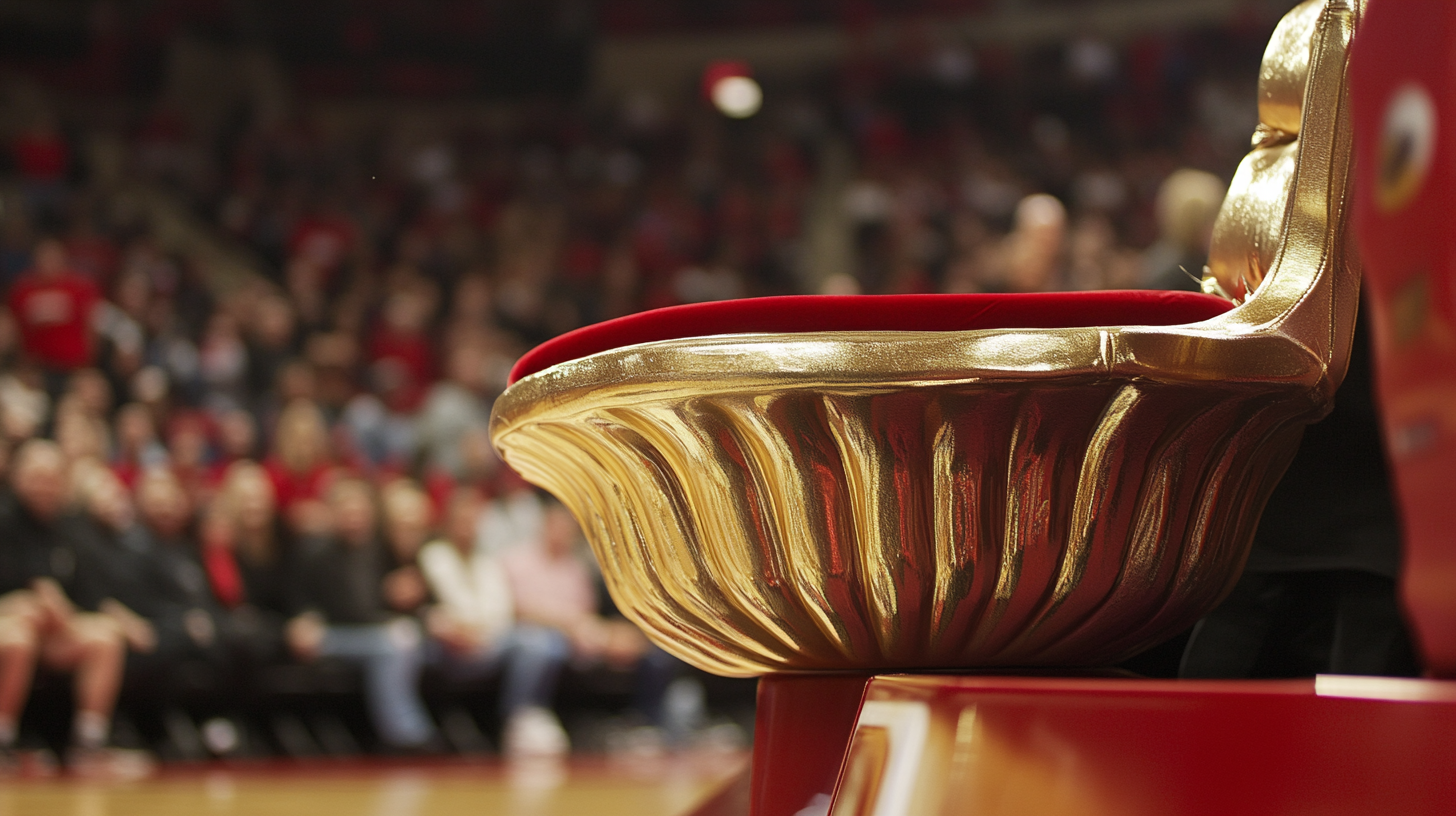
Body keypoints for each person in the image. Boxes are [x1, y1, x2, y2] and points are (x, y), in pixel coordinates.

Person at [0, 440, 147, 777]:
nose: (44, 485)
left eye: (52, 477)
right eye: (36, 476)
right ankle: (3, 742)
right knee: (19, 637)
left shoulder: (71, 529)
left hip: (53, 627)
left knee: (105, 637)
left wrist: (111, 617)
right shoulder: (4, 519)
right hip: (11, 623)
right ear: (17, 477)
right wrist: (19, 604)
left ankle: (88, 746)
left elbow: (86, 594)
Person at [286, 477, 438, 752]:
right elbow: (300, 603)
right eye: (347, 512)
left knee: (403, 637)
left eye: (360, 513)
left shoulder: (380, 551)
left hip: (371, 633)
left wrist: (404, 599)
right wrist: (304, 620)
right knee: (393, 644)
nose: (354, 520)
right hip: (331, 636)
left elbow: (389, 600)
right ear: (333, 514)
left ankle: (405, 730)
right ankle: (407, 735)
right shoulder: (314, 553)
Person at [418, 486, 571, 758]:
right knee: (530, 643)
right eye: (462, 520)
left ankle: (522, 716)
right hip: (449, 646)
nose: (469, 526)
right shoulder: (434, 555)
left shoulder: (486, 560)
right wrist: (467, 628)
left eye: (474, 520)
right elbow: (443, 606)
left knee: (542, 642)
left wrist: (481, 630)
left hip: (488, 639)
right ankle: (517, 719)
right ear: (449, 522)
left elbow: (500, 610)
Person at [6, 239, 101, 392]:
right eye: (44, 257)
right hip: (38, 368)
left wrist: (87, 366)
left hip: (73, 366)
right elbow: (17, 330)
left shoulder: (80, 287)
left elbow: (89, 326)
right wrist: (24, 366)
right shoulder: (23, 290)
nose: (48, 263)